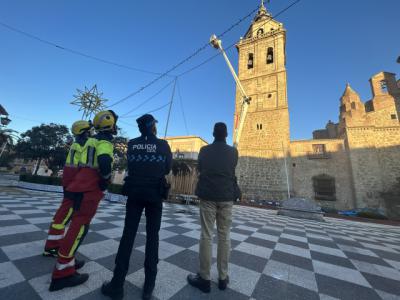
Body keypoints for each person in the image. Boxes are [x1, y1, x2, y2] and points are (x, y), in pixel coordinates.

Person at [101, 114, 172, 300]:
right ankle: (149, 286)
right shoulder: (163, 145)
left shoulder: (132, 144)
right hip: (155, 195)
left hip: (134, 193)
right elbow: (167, 169)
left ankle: (117, 284)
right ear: (153, 127)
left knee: (128, 236)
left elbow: (132, 165)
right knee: (152, 237)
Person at [49, 110, 118, 291]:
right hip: (90, 187)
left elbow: (80, 164)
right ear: (110, 125)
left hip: (79, 184)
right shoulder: (105, 141)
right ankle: (62, 273)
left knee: (74, 225)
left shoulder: (90, 140)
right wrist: (105, 179)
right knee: (79, 227)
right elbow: (104, 161)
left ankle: (66, 262)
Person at [187, 122, 239, 293]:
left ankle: (204, 277)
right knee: (224, 237)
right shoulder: (233, 152)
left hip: (208, 195)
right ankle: (223, 278)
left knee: (207, 235)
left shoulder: (204, 151)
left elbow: (201, 169)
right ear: (226, 135)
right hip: (226, 197)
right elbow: (231, 170)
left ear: (213, 133)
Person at [43, 120, 92, 258]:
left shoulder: (75, 145)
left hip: (69, 186)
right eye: (89, 130)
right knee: (65, 218)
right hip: (74, 188)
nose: (91, 133)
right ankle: (54, 249)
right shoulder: (81, 146)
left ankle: (51, 246)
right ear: (84, 132)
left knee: (61, 217)